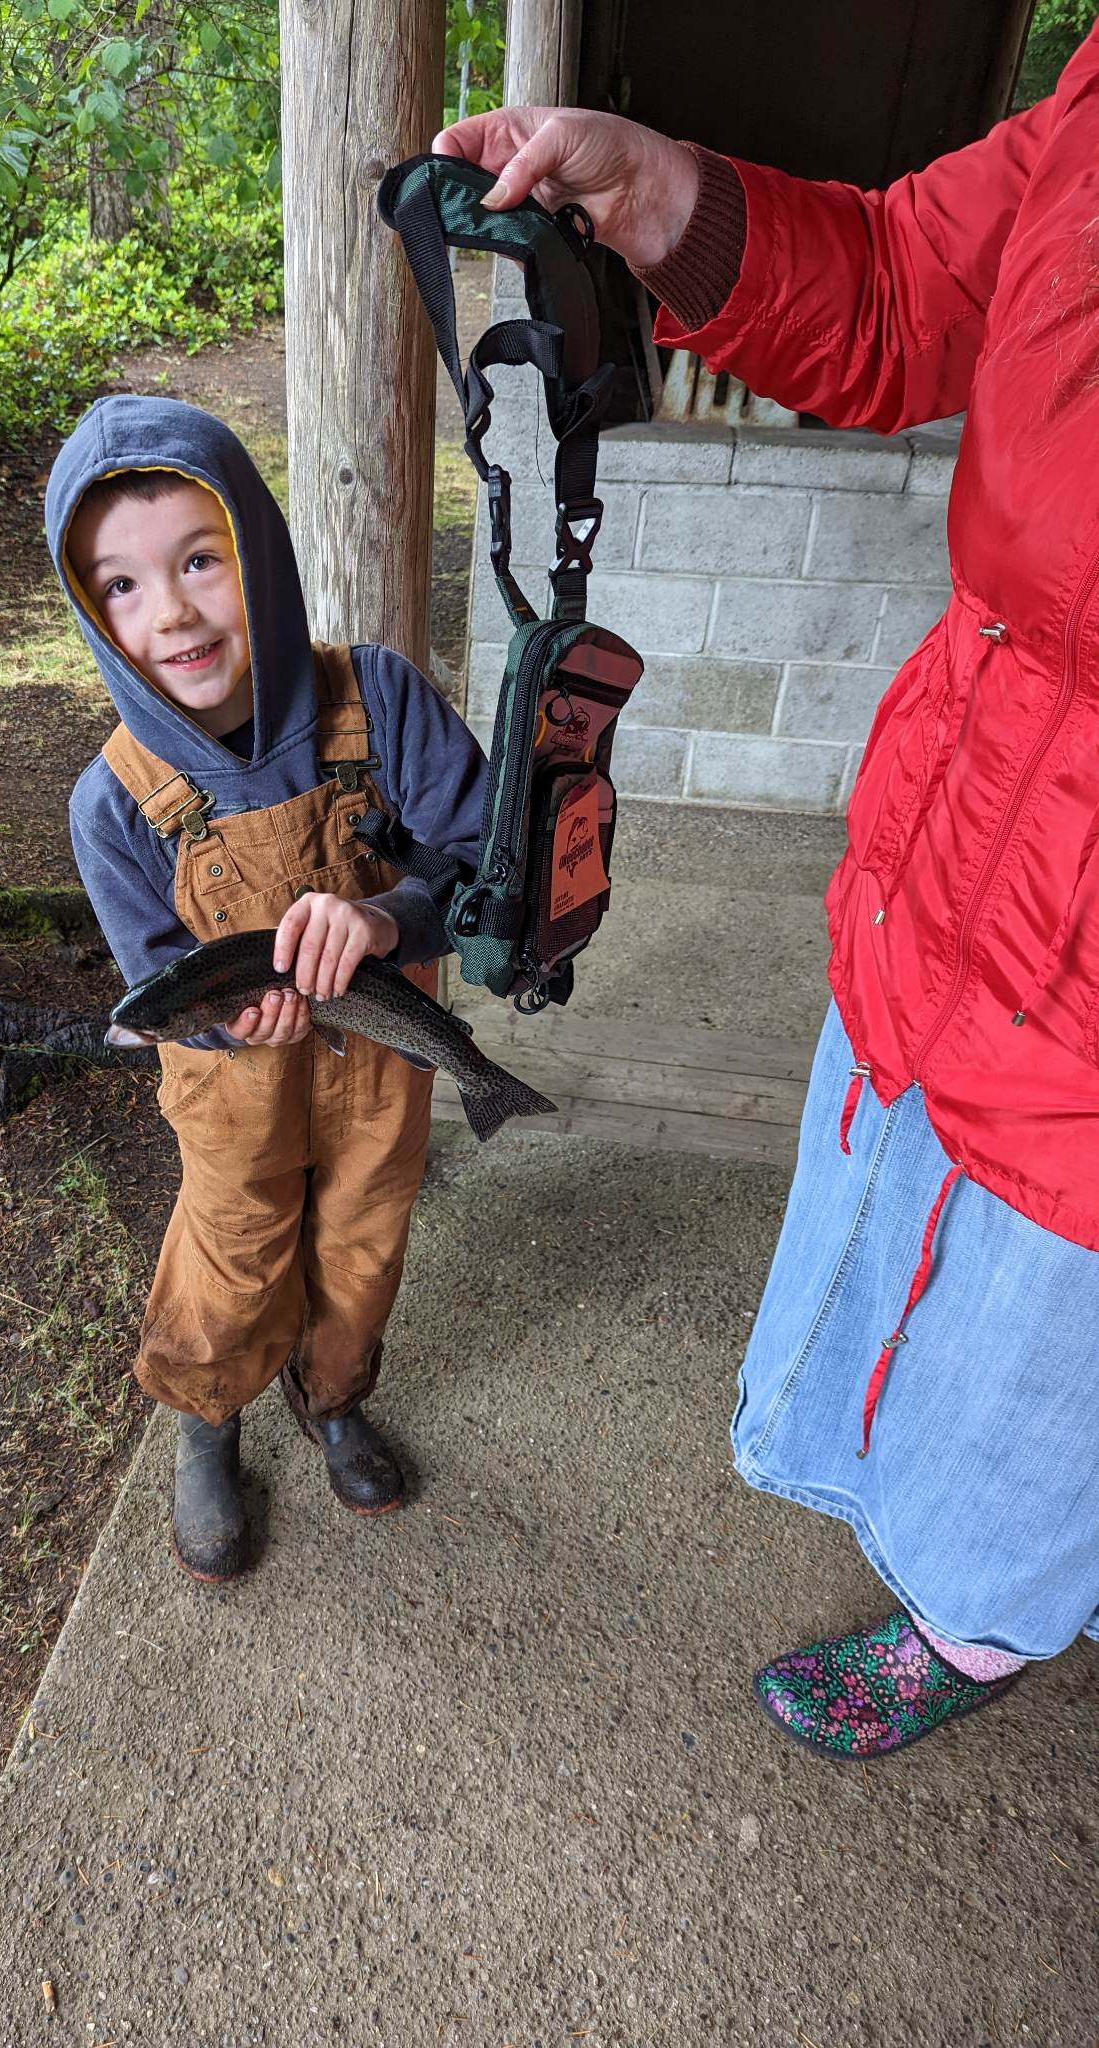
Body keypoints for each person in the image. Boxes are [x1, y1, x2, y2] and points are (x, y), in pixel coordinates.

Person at [437, 24, 1099, 1760]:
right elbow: (900, 283)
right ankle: (963, 1563)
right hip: (963, 829)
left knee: (1055, 1339)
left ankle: (977, 1617)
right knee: (944, 1261)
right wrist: (656, 194)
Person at [46, 395, 488, 1582]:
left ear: (263, 549)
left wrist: (388, 916)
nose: (172, 610)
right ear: (89, 610)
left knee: (364, 1231)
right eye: (122, 585)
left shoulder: (379, 698)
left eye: (201, 559)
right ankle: (208, 1416)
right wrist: (226, 1023)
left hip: (381, 1054)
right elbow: (156, 979)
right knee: (236, 1240)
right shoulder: (113, 802)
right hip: (231, 1084)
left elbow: (484, 861)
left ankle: (332, 1393)